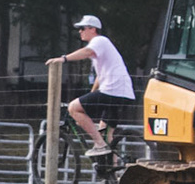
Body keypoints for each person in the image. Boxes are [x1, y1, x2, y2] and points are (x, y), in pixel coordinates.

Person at [46, 14, 135, 157]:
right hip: (123, 93)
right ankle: (112, 169)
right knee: (106, 135)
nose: (80, 31)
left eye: (82, 28)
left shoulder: (100, 40)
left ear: (93, 29)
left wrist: (63, 59)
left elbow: (86, 52)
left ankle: (99, 145)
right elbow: (100, 77)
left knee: (73, 108)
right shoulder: (103, 47)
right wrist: (91, 94)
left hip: (112, 91)